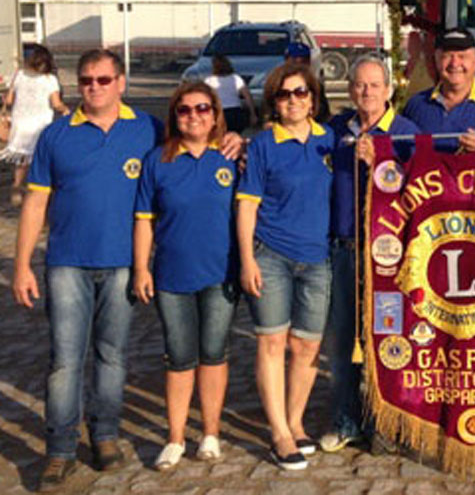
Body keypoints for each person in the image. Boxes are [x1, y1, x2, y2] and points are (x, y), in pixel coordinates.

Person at [11, 49, 243, 492]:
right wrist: (22, 265)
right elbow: (37, 202)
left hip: (122, 265)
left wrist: (237, 141)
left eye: (102, 79)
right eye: (86, 80)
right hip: (67, 262)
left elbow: (195, 142)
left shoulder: (147, 130)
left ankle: (105, 436)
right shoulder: (56, 135)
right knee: (64, 361)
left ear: (120, 82)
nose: (93, 87)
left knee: (112, 356)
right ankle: (59, 449)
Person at [132, 82, 238, 470]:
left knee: (213, 353)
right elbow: (143, 220)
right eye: (185, 109)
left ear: (215, 114)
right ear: (174, 115)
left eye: (203, 108)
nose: (194, 116)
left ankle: (210, 432)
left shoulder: (230, 158)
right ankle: (175, 436)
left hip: (220, 273)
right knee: (179, 357)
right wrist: (142, 267)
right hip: (172, 275)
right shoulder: (157, 161)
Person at [236, 62, 335, 471]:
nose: (293, 100)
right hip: (271, 255)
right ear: (273, 102)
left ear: (312, 98)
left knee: (307, 345)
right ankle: (278, 432)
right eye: (284, 94)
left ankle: (296, 421)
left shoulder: (330, 140)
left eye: (300, 92)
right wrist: (246, 259)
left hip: (317, 258)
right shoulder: (262, 145)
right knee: (272, 343)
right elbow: (247, 204)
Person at [320, 54, 419, 453]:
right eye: (360, 85)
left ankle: (388, 420)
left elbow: (421, 187)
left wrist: (384, 162)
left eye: (374, 85)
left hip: (389, 253)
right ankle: (347, 419)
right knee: (344, 341)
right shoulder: (334, 130)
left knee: (389, 338)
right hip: (344, 249)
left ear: (389, 90)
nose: (366, 92)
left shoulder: (407, 133)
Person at [0, 44, 68, 206]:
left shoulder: (19, 75)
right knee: (41, 157)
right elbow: (56, 103)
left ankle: (17, 187)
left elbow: (9, 100)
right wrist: (65, 110)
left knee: (22, 160)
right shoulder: (50, 80)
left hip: (20, 123)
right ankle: (39, 189)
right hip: (40, 125)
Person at [204, 54, 255, 133]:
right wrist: (252, 113)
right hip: (235, 112)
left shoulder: (209, 81)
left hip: (219, 112)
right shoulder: (236, 78)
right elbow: (248, 97)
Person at [284, 42, 330, 121]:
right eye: (294, 61)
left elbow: (324, 114)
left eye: (303, 61)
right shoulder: (278, 83)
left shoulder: (315, 86)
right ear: (286, 61)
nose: (299, 65)